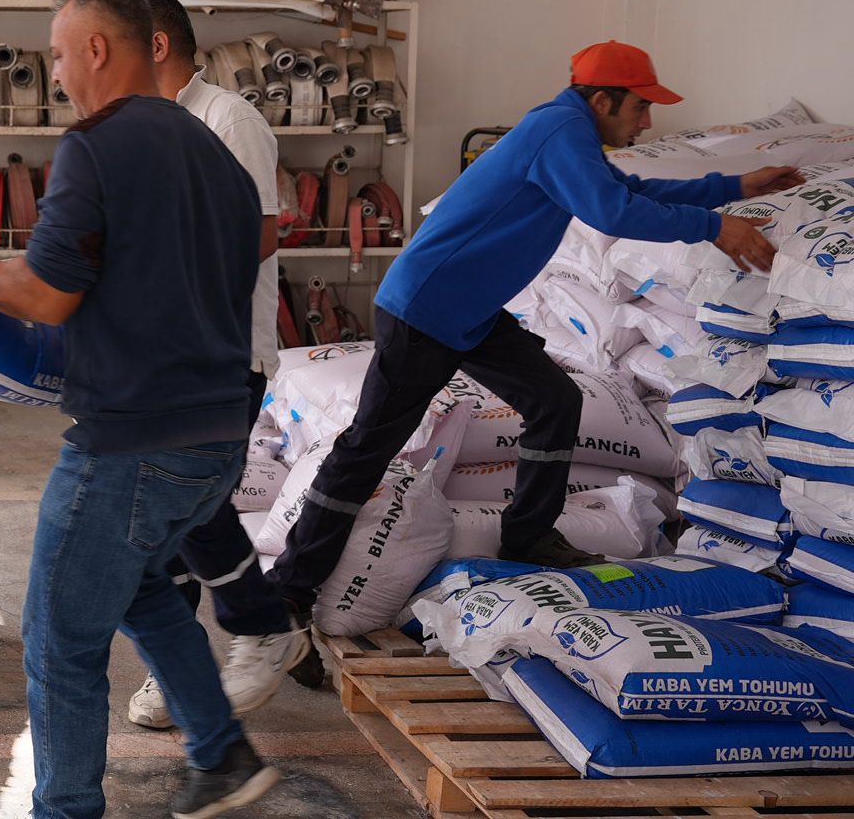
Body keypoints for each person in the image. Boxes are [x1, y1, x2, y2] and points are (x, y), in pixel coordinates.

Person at [231, 40, 804, 703]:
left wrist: (733, 188)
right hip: (427, 310)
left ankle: (529, 535)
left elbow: (630, 191)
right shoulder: (559, 130)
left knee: (553, 401)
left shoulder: (569, 135)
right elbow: (612, 213)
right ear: (603, 99)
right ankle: (289, 599)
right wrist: (715, 226)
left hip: (468, 311)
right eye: (641, 107)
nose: (646, 122)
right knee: (367, 448)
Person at [0, 0, 281, 819]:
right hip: (215, 434)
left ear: (96, 49)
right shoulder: (216, 158)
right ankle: (221, 753)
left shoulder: (96, 147)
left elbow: (47, 296)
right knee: (141, 591)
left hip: (130, 446)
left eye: (56, 53)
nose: (53, 72)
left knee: (60, 643)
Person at [121, 0, 307, 732]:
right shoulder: (144, 125)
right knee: (159, 512)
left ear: (159, 44)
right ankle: (180, 665)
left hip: (223, 349)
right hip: (162, 351)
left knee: (188, 503)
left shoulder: (229, 120)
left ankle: (262, 628)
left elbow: (259, 232)